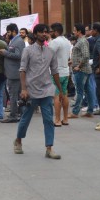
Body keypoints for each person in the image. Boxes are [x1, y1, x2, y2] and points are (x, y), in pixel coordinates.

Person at [13, 24, 61, 159]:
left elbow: (55, 71)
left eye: (46, 32)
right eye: (41, 32)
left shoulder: (50, 51)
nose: (44, 34)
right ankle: (18, 140)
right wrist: (24, 89)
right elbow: (22, 70)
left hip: (47, 89)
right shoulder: (27, 51)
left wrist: (60, 90)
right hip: (31, 90)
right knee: (26, 118)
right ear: (35, 35)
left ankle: (49, 148)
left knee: (48, 120)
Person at [48, 23, 72, 126]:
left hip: (56, 72)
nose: (50, 33)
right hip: (66, 71)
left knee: (56, 96)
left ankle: (57, 120)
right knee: (65, 94)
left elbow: (48, 54)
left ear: (56, 31)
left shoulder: (55, 42)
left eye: (51, 31)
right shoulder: (67, 41)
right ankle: (65, 118)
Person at [69, 23, 94, 119]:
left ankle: (75, 112)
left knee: (80, 91)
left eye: (75, 30)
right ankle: (90, 110)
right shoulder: (81, 41)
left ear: (79, 31)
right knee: (88, 90)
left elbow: (86, 55)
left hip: (81, 70)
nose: (74, 32)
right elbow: (82, 55)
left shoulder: (82, 41)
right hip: (84, 69)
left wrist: (78, 66)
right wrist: (72, 61)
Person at [1, 23, 25, 123]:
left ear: (14, 31)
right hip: (13, 72)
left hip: (14, 73)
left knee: (13, 95)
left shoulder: (18, 41)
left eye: (9, 32)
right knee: (17, 95)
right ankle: (19, 114)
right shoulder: (14, 41)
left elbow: (19, 55)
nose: (7, 34)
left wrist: (5, 53)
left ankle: (13, 115)